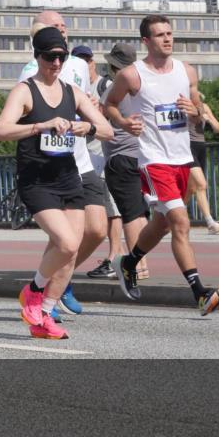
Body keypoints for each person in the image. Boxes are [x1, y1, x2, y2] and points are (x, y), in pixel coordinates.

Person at [104, 14, 219, 315]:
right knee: (181, 223)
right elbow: (107, 105)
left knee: (161, 223)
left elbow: (198, 112)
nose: (167, 39)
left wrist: (195, 110)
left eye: (170, 33)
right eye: (160, 35)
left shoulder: (187, 71)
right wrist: (123, 121)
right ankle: (200, 293)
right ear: (146, 41)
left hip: (182, 157)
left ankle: (128, 262)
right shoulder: (132, 75)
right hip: (153, 160)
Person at [0, 27, 113, 339]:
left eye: (62, 56)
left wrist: (84, 126)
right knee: (67, 242)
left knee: (70, 254)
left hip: (68, 177)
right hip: (36, 181)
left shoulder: (72, 92)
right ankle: (33, 292)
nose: (57, 62)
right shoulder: (24, 91)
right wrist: (39, 126)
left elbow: (107, 131)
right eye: (51, 56)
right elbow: (1, 131)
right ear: (38, 56)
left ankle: (43, 317)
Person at [21, 13, 108, 315]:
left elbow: (95, 111)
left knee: (96, 231)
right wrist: (41, 125)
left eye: (63, 27)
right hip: (47, 169)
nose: (61, 32)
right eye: (53, 29)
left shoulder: (80, 66)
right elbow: (19, 118)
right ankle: (47, 295)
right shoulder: (31, 72)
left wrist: (90, 119)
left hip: (81, 162)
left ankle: (60, 277)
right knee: (66, 241)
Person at [92, 43, 152, 281]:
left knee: (129, 216)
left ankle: (137, 266)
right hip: (142, 156)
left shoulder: (113, 91)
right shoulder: (142, 87)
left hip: (120, 157)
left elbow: (98, 120)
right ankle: (143, 264)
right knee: (139, 214)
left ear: (114, 66)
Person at [187, 99, 219, 234]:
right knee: (201, 184)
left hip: (200, 147)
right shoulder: (182, 105)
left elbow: (218, 129)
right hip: (187, 147)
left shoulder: (204, 107)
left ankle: (168, 218)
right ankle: (210, 223)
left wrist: (208, 119)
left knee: (192, 188)